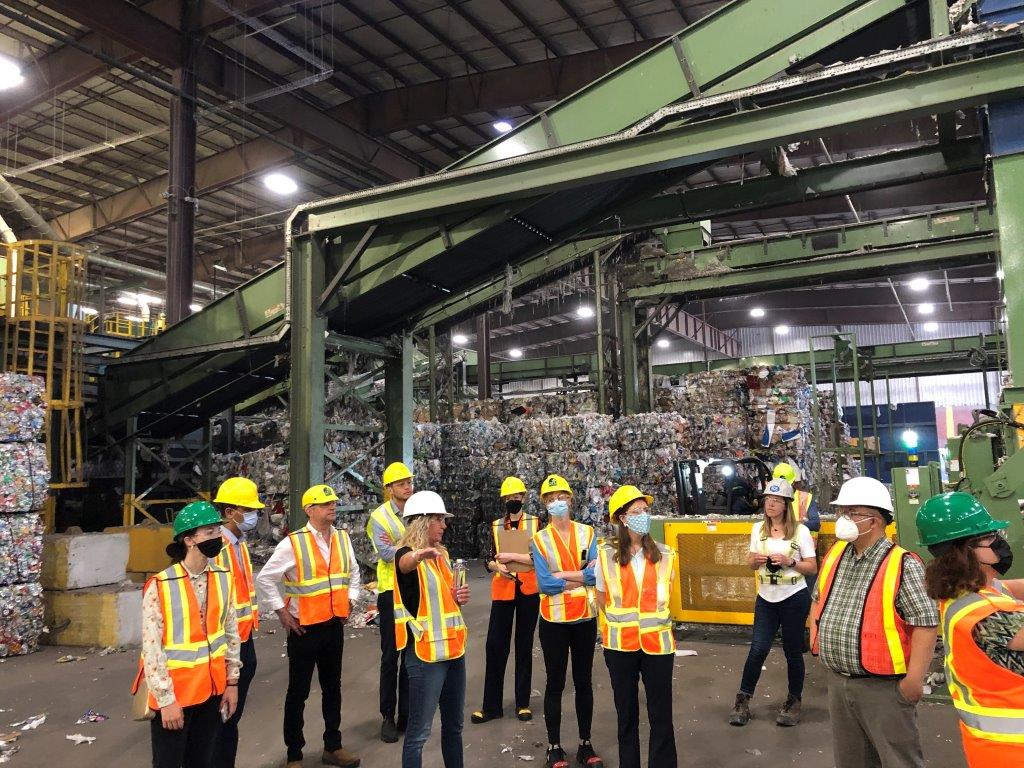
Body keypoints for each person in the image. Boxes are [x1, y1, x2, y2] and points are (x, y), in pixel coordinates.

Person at [811, 476, 939, 768]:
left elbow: (926, 622)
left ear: (876, 520)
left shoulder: (902, 563)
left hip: (884, 689)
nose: (844, 519)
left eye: (852, 513)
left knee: (898, 760)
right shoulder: (835, 555)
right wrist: (815, 637)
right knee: (851, 760)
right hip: (839, 681)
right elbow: (817, 597)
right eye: (843, 512)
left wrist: (914, 681)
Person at [256, 484, 361, 768]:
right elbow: (265, 578)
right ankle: (294, 755)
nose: (333, 507)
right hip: (304, 629)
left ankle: (333, 746)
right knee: (298, 692)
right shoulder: (293, 543)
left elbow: (353, 571)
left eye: (334, 503)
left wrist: (351, 600)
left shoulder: (341, 538)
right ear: (309, 510)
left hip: (333, 625)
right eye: (326, 503)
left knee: (333, 688)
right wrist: (282, 612)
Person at [916, 492, 1024, 766]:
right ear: (964, 549)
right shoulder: (986, 616)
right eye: (990, 536)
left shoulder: (965, 592)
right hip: (1010, 753)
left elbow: (1011, 587)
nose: (999, 540)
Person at [132, 501, 241, 768]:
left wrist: (232, 682)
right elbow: (152, 649)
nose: (217, 536)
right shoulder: (160, 585)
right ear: (190, 540)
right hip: (176, 697)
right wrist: (166, 701)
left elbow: (230, 634)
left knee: (201, 761)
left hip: (212, 693)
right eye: (209, 532)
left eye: (217, 529)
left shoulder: (223, 578)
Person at [596, 485, 677, 768]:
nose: (644, 516)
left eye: (645, 510)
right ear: (622, 518)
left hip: (658, 647)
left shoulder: (666, 554)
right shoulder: (606, 555)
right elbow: (602, 597)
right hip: (620, 647)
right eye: (636, 512)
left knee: (661, 717)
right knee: (626, 717)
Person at [730, 478, 818, 727]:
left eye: (776, 500)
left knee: (792, 651)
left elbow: (812, 567)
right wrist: (755, 560)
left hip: (793, 598)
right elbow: (749, 562)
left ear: (786, 504)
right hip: (766, 597)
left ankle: (793, 701)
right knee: (758, 649)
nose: (770, 504)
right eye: (768, 499)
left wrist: (791, 562)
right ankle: (742, 700)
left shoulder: (800, 532)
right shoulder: (757, 530)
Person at [393, 490, 471, 768]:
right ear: (423, 521)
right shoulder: (406, 555)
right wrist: (418, 556)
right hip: (425, 657)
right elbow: (403, 564)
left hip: (453, 651)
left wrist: (458, 597)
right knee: (418, 734)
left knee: (454, 728)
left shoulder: (443, 554)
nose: (445, 525)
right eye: (440, 519)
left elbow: (446, 602)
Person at [531, 474, 604, 768]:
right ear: (545, 505)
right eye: (550, 500)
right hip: (555, 621)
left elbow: (595, 575)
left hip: (585, 619)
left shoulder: (587, 533)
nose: (556, 503)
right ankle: (554, 746)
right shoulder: (539, 539)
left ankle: (586, 744)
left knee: (584, 681)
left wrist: (563, 575)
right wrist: (576, 578)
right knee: (555, 683)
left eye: (560, 497)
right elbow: (544, 584)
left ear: (570, 499)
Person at [472, 476, 540, 724]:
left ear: (523, 497)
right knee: (495, 647)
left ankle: (522, 703)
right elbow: (487, 558)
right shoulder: (495, 525)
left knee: (523, 647)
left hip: (528, 590)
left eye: (517, 497)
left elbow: (542, 558)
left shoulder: (536, 523)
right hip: (503, 589)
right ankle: (491, 706)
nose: (513, 500)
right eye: (509, 497)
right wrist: (495, 566)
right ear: (504, 500)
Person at [211, 477, 263, 768]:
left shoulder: (239, 545)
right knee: (222, 718)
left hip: (244, 640)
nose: (253, 515)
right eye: (248, 509)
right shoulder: (215, 549)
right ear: (230, 512)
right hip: (225, 647)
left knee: (231, 718)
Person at [367, 461, 413, 742]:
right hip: (389, 592)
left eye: (409, 482)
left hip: (413, 590)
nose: (407, 487)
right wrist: (413, 549)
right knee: (390, 657)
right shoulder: (379, 517)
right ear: (389, 489)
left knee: (411, 655)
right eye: (401, 483)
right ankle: (387, 715)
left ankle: (407, 714)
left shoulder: (417, 511)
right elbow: (386, 554)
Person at [773, 462, 821, 533]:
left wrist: (793, 525)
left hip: (800, 541)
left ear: (793, 482)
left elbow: (816, 524)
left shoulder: (805, 498)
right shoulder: (771, 499)